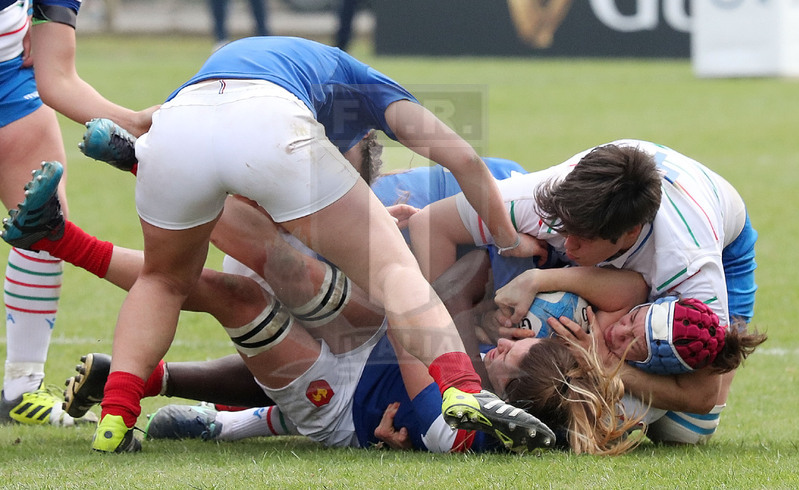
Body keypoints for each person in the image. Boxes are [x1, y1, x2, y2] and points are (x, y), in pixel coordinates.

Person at [59, 36, 549, 454]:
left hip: (181, 126)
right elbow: (464, 159)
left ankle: (117, 417)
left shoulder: (271, 72)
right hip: (271, 135)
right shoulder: (365, 86)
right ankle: (461, 388)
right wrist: (507, 243)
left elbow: (154, 121)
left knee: (166, 280)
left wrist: (139, 147)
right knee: (372, 273)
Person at [410, 139, 759, 444]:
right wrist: (467, 372)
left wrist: (604, 365)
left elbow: (702, 394)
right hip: (621, 251)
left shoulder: (690, 267)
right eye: (564, 230)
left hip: (724, 247)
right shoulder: (544, 203)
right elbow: (429, 224)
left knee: (683, 432)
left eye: (582, 239)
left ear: (629, 233)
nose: (568, 244)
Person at [0, 0, 153, 427]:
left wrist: (135, 123)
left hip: (7, 74)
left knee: (42, 221)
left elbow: (58, 79)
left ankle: (21, 386)